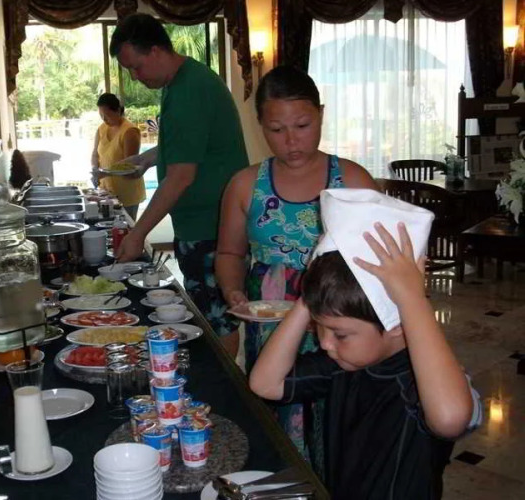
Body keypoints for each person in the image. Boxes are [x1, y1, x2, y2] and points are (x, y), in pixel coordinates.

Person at [215, 66, 378, 463]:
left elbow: (380, 264)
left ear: (321, 115)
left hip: (336, 326)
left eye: (303, 125)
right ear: (260, 125)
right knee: (275, 408)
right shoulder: (245, 184)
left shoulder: (352, 180)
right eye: (276, 129)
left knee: (334, 420)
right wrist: (233, 289)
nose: (291, 141)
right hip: (269, 325)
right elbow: (230, 253)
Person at [249, 221, 481, 499]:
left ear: (396, 324)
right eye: (319, 326)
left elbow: (450, 419)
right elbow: (265, 384)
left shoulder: (423, 381)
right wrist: (309, 298)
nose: (325, 343)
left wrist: (412, 301)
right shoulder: (341, 363)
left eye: (340, 334)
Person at [109, 13, 249, 355]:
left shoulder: (189, 90)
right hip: (201, 224)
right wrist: (148, 158)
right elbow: (189, 143)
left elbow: (181, 176)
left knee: (217, 319)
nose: (135, 76)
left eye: (136, 67)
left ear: (157, 50)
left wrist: (137, 233)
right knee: (207, 312)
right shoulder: (181, 82)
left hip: (212, 227)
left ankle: (226, 386)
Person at [91, 93, 145, 221]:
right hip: (107, 192)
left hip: (127, 193)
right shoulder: (101, 129)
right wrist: (95, 169)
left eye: (107, 115)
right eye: (101, 116)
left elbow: (129, 166)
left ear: (118, 111)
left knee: (126, 226)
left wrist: (104, 173)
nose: (104, 119)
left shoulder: (130, 131)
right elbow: (95, 154)